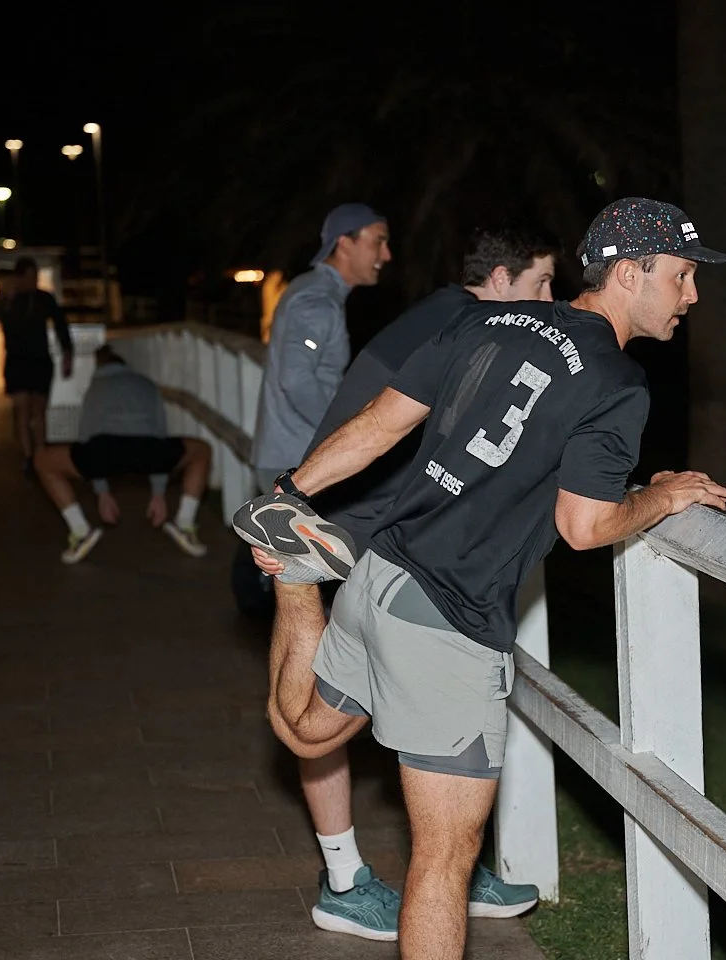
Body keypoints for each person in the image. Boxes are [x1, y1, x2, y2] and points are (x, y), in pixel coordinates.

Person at [237, 197, 726, 958]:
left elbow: (380, 424)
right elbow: (586, 526)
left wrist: (288, 497)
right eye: (682, 276)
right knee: (442, 861)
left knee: (305, 731)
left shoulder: (487, 320)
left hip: (382, 577)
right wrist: (659, 496)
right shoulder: (615, 382)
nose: (691, 297)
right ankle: (299, 577)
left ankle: (298, 580)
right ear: (631, 274)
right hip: (449, 626)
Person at [248, 224, 560, 942]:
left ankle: (449, 857)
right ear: (504, 279)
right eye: (543, 283)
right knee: (329, 703)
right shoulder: (466, 323)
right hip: (353, 522)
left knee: (355, 700)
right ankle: (347, 878)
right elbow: (381, 422)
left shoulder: (447, 316)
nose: (554, 300)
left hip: (360, 517)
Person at [252, 202, 391, 493]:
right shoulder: (316, 300)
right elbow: (295, 378)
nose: (386, 255)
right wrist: (342, 433)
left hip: (292, 457)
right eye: (378, 242)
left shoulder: (314, 290)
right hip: (296, 462)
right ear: (344, 243)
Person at [34, 345, 212, 564]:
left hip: (105, 451)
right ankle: (185, 523)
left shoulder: (95, 388)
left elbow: (86, 436)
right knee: (201, 450)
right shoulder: (147, 385)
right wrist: (158, 494)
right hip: (148, 451)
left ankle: (80, 531)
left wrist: (102, 493)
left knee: (43, 461)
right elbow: (160, 432)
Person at [0, 257, 73, 478]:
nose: (32, 281)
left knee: (39, 412)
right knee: (22, 411)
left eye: (35, 276)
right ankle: (28, 457)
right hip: (17, 361)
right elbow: (6, 329)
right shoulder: (9, 301)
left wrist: (68, 352)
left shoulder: (44, 299)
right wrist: (8, 303)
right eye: (28, 277)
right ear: (19, 277)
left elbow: (61, 324)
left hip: (40, 360)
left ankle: (41, 454)